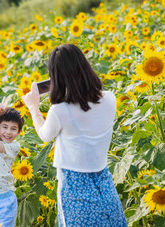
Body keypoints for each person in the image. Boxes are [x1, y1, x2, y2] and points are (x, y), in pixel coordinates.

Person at [22, 44, 127, 226]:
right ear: (85, 66)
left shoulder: (60, 111)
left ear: (56, 77)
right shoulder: (110, 98)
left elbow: (44, 135)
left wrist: (33, 107)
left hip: (74, 185)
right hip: (103, 181)